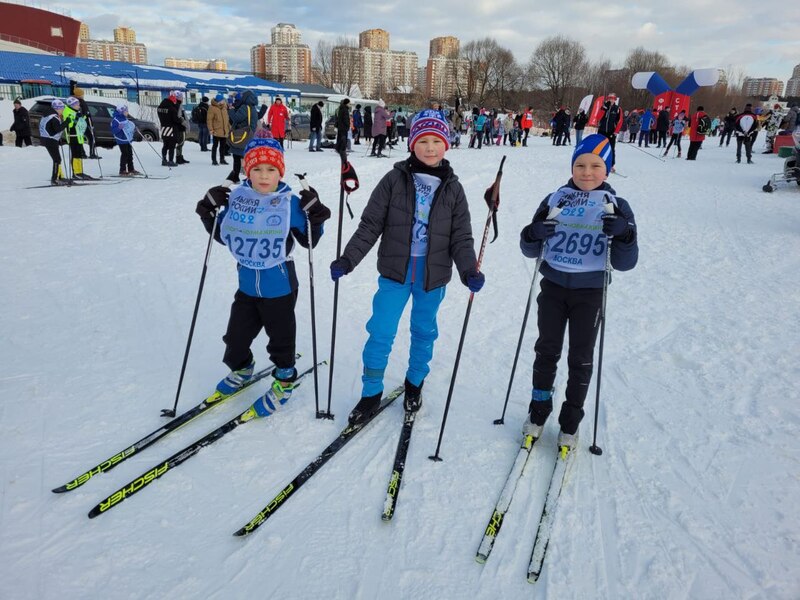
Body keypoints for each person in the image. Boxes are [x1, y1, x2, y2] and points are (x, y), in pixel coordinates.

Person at [329, 109, 484, 423]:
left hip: (433, 276)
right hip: (395, 273)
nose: (430, 147)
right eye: (423, 140)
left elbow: (462, 237)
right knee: (381, 331)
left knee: (424, 331)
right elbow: (370, 225)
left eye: (436, 141)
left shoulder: (454, 189)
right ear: (412, 143)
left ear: (446, 144)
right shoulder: (393, 180)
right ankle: (371, 392)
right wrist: (349, 259)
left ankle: (414, 383)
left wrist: (469, 270)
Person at [194, 136, 332, 415]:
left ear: (281, 172)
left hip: (279, 286)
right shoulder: (237, 199)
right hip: (247, 286)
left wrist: (315, 220)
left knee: (281, 342)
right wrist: (208, 212)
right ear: (247, 171)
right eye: (256, 169)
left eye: (271, 169)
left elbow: (308, 241)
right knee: (234, 341)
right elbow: (224, 236)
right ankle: (243, 368)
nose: (264, 176)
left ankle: (284, 382)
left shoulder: (290, 203)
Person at [518, 134, 638, 449]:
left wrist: (624, 233)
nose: (587, 172)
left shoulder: (617, 206)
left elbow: (626, 263)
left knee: (581, 358)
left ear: (608, 170)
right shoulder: (555, 199)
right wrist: (534, 232)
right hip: (554, 287)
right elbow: (529, 248)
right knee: (546, 351)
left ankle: (570, 422)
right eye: (580, 165)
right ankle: (539, 410)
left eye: (596, 165)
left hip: (590, 291)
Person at [227, 90, 258, 183]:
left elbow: (236, 118)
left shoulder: (245, 107)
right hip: (249, 135)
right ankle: (249, 177)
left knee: (237, 157)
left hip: (241, 135)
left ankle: (236, 177)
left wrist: (231, 109)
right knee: (247, 157)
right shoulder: (253, 108)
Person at [39, 99, 67, 185]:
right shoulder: (54, 117)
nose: (63, 110)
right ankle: (54, 179)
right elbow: (57, 129)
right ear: (57, 108)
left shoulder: (47, 115)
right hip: (50, 139)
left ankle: (58, 177)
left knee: (57, 159)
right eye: (62, 109)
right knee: (57, 159)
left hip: (47, 138)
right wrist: (66, 122)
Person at [62, 96, 91, 179]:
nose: (79, 106)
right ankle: (75, 172)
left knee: (79, 154)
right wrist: (77, 117)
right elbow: (70, 124)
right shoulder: (67, 111)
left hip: (78, 136)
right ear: (72, 105)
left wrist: (85, 116)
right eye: (77, 104)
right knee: (75, 154)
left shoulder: (75, 111)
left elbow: (80, 121)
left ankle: (80, 171)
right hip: (72, 136)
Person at [110, 104, 140, 176]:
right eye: (125, 111)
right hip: (121, 139)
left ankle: (131, 169)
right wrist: (119, 128)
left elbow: (128, 127)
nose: (127, 112)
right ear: (121, 111)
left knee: (130, 153)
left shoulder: (125, 118)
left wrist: (134, 128)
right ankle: (122, 170)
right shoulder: (116, 119)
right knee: (125, 153)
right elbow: (113, 131)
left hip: (127, 139)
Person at [596, 94, 621, 170]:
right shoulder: (604, 107)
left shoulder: (617, 109)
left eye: (613, 99)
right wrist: (604, 109)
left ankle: (611, 165)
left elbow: (620, 121)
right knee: (600, 148)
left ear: (615, 100)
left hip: (611, 132)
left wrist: (616, 131)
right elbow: (598, 117)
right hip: (602, 131)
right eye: (610, 98)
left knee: (611, 148)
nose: (611, 100)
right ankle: (598, 163)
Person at [157, 90, 181, 167]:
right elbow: (176, 120)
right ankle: (170, 161)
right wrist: (180, 120)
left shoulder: (160, 107)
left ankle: (164, 160)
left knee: (165, 145)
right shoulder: (172, 109)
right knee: (172, 146)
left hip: (164, 128)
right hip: (172, 129)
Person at [208, 93, 230, 166]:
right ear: (219, 101)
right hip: (216, 130)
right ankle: (214, 160)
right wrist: (211, 129)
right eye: (222, 100)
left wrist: (229, 128)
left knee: (223, 146)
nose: (224, 101)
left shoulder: (224, 108)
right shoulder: (212, 108)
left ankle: (222, 159)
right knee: (215, 146)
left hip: (224, 130)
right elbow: (209, 120)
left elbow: (227, 119)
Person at [175, 92, 190, 164]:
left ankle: (180, 156)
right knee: (180, 143)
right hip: (181, 127)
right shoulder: (178, 105)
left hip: (181, 127)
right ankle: (178, 157)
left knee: (181, 143)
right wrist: (185, 124)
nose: (182, 98)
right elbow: (179, 117)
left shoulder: (180, 105)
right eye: (181, 97)